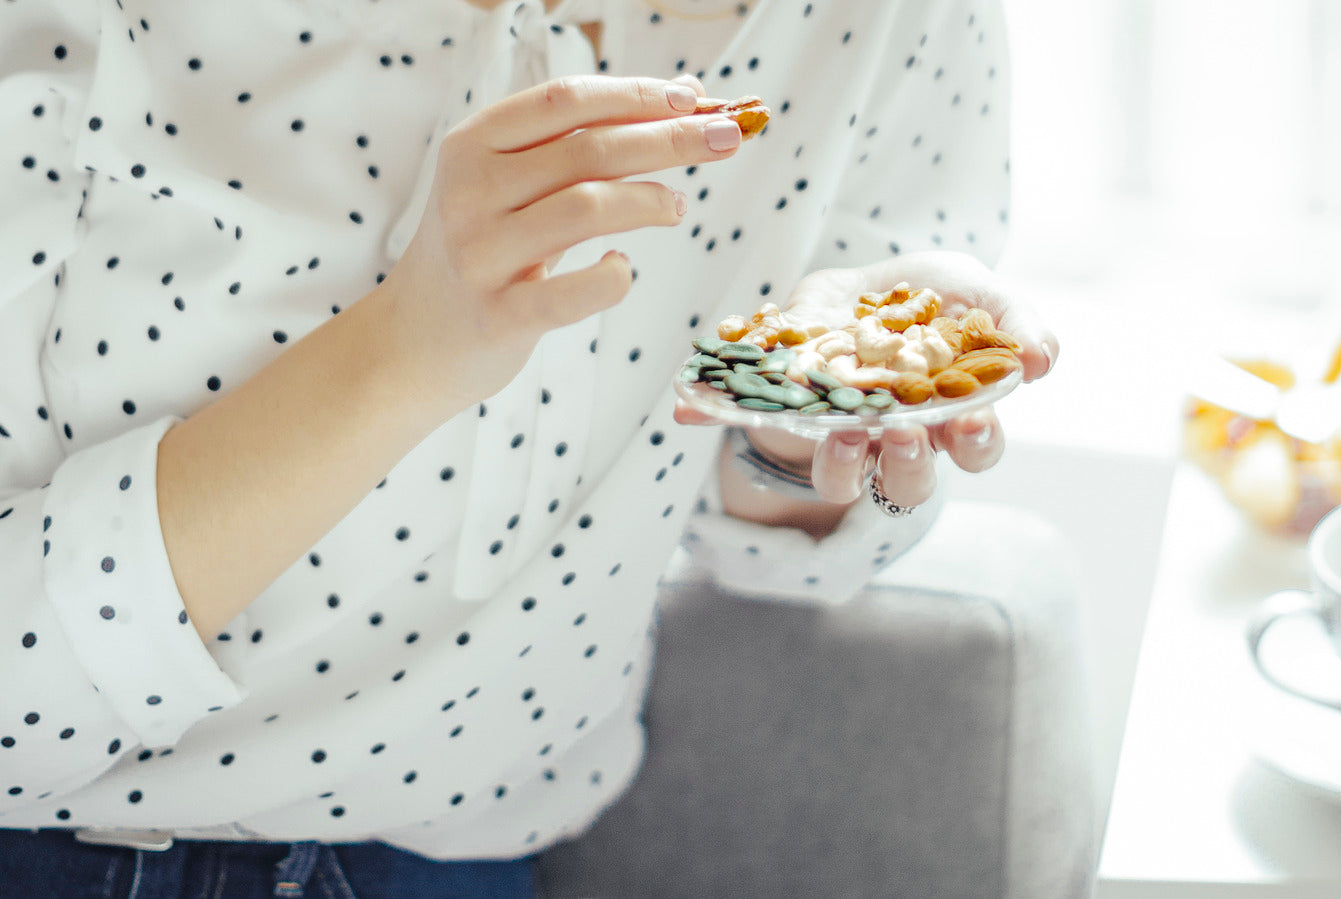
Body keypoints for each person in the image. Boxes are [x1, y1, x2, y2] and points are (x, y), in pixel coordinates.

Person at [0, 0, 1055, 893]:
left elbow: (755, 540)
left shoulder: (894, 23)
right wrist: (403, 351)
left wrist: (792, 427)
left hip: (457, 861)